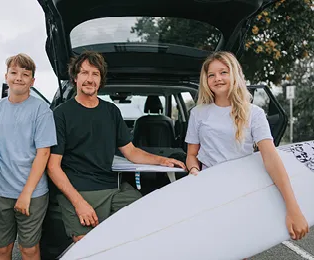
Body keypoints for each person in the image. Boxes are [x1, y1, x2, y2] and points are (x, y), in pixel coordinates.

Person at [47, 50, 186, 243]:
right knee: (87, 247)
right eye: (85, 73)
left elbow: (131, 152)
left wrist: (163, 160)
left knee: (147, 221)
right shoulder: (61, 114)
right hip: (78, 190)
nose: (90, 79)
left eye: (95, 74)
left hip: (113, 187)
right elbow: (53, 167)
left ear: (101, 79)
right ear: (75, 77)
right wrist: (79, 203)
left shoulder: (111, 111)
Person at [185, 51, 309, 240]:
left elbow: (271, 159)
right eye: (211, 75)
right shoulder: (198, 113)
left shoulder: (255, 114)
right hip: (209, 189)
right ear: (206, 80)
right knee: (214, 246)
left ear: (234, 74)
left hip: (243, 189)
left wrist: (293, 208)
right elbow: (191, 154)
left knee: (239, 246)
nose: (217, 78)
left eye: (223, 72)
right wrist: (194, 170)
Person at [0, 53, 57, 260]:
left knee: (28, 249)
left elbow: (43, 153)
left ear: (32, 81)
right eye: (14, 72)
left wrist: (26, 193)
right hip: (0, 191)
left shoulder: (41, 110)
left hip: (33, 193)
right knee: (2, 249)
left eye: (25, 74)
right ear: (6, 76)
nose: (19, 77)